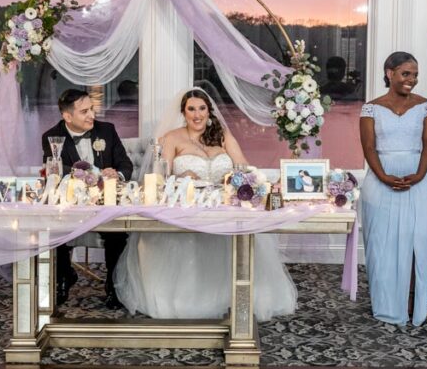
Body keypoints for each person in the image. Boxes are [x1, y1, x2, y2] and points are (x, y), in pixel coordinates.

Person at [113, 88, 297, 320]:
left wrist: (234, 179)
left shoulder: (223, 136)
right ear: (183, 112)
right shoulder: (171, 138)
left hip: (224, 206)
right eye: (191, 109)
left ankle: (234, 296)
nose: (197, 114)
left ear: (209, 111)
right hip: (187, 209)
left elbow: (244, 167)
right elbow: (160, 178)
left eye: (202, 108)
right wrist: (180, 178)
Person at [358, 51, 427, 326]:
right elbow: (368, 147)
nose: (412, 80)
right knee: (381, 245)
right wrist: (383, 176)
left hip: (417, 180)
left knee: (418, 243)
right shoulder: (371, 108)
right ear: (389, 73)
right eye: (406, 74)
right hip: (380, 182)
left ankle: (414, 304)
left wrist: (418, 175)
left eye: (415, 75)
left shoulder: (425, 106)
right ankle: (386, 303)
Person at [41, 89, 133, 310]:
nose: (92, 114)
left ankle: (114, 286)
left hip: (106, 202)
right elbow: (56, 172)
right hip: (71, 203)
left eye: (92, 109)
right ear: (67, 116)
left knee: (118, 235)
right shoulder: (51, 137)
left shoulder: (107, 131)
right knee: (53, 231)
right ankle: (63, 278)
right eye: (84, 111)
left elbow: (125, 165)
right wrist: (86, 179)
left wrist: (116, 175)